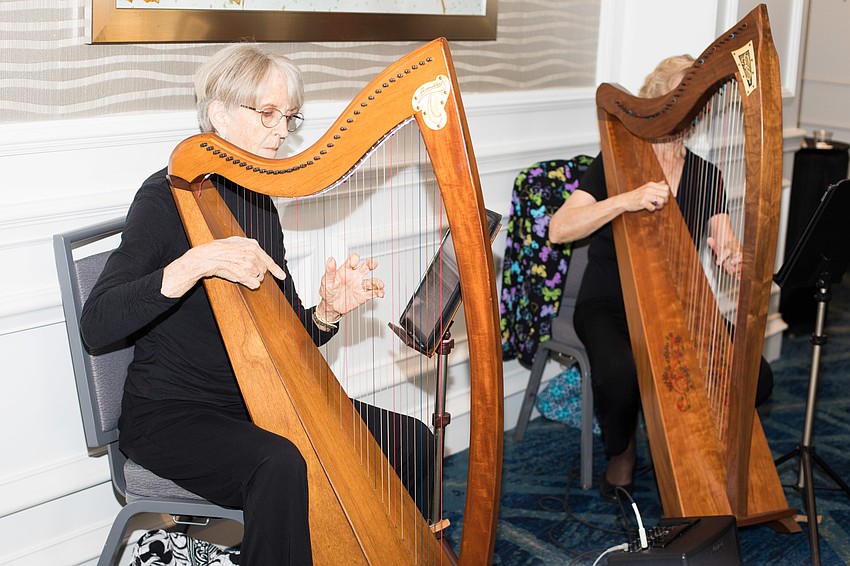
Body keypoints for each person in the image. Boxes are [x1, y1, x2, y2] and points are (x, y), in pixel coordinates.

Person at [80, 43, 433, 565]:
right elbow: (97, 324)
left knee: (412, 439)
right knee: (278, 463)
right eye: (267, 113)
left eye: (289, 117)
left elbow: (285, 332)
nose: (282, 131)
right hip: (171, 415)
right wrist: (196, 263)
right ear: (219, 113)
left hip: (254, 401)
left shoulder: (255, 198)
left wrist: (328, 311)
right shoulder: (163, 199)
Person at [549, 55, 773, 502]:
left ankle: (703, 446)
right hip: (608, 303)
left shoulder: (706, 174)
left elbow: (723, 239)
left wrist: (732, 257)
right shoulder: (615, 163)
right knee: (618, 373)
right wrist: (624, 200)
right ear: (655, 104)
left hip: (682, 306)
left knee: (756, 376)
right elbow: (560, 230)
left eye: (694, 110)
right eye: (679, 106)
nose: (690, 119)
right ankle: (623, 452)